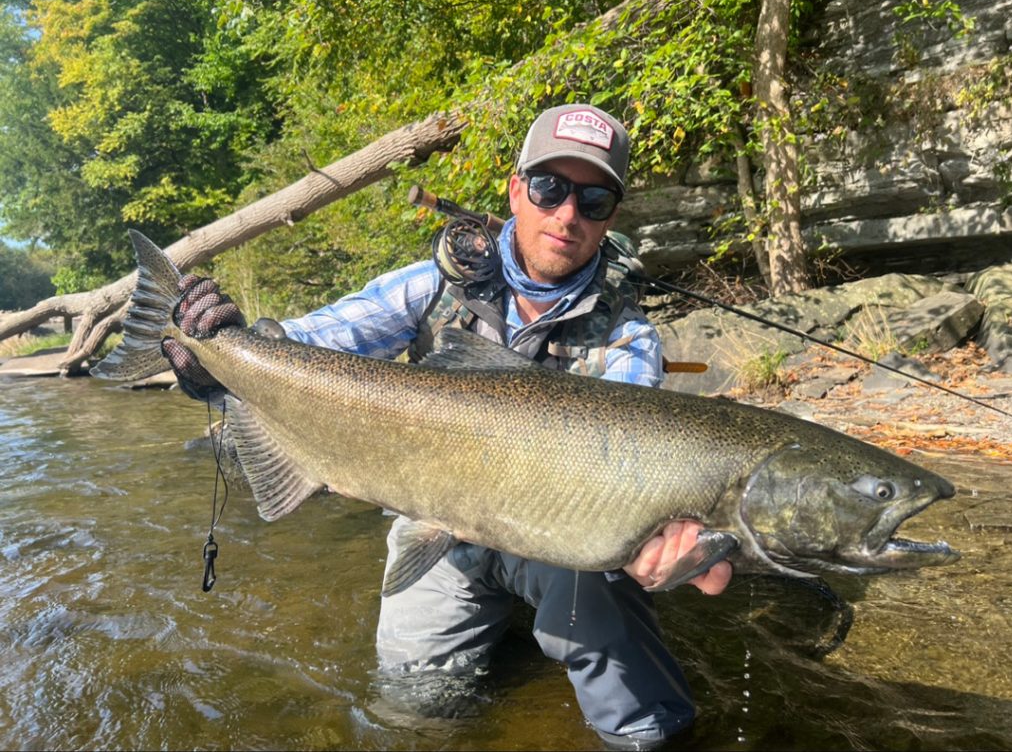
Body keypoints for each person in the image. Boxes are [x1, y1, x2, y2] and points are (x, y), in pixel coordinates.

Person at [165, 104, 732, 750]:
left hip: (558, 541)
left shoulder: (628, 338)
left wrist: (668, 544)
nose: (568, 212)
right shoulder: (434, 286)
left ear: (611, 217)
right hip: (435, 528)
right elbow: (319, 339)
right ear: (517, 190)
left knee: (645, 715)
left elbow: (633, 475)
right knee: (414, 714)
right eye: (549, 187)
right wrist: (225, 354)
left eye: (595, 198)